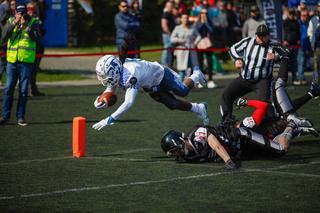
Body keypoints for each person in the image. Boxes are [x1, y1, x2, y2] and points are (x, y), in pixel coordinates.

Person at [91, 39, 210, 131]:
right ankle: (199, 108)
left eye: (105, 75)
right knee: (173, 104)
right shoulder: (119, 68)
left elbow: (128, 103)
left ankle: (196, 75)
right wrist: (102, 99)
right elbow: (112, 85)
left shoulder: (132, 74)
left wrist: (110, 119)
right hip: (150, 85)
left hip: (161, 75)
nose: (103, 79)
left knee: (183, 91)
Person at [0, 4, 41, 126]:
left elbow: (38, 39)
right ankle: (5, 116)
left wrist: (26, 28)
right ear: (15, 12)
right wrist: (14, 24)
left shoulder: (33, 22)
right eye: (19, 13)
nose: (21, 15)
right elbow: (3, 37)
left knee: (23, 91)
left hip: (26, 62)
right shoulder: (10, 21)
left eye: (23, 13)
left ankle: (20, 117)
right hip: (12, 61)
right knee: (8, 89)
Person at [161, 126, 239, 169]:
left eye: (174, 151)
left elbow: (216, 146)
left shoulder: (196, 135)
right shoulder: (187, 157)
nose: (176, 154)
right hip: (235, 153)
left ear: (178, 142)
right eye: (172, 154)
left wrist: (228, 161)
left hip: (234, 139)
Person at [170, 13, 201, 81]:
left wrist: (195, 43)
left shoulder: (192, 28)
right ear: (181, 19)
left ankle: (191, 83)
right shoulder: (177, 28)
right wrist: (179, 40)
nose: (185, 19)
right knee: (182, 69)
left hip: (191, 51)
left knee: (193, 68)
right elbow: (172, 38)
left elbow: (199, 36)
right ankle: (180, 84)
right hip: (182, 51)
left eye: (186, 18)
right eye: (184, 18)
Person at [194, 8, 217, 88]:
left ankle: (210, 80)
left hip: (208, 43)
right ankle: (200, 80)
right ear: (200, 14)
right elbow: (196, 31)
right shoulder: (197, 23)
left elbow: (212, 31)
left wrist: (206, 23)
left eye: (205, 13)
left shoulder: (209, 22)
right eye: (202, 13)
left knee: (210, 61)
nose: (204, 14)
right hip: (199, 43)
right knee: (200, 62)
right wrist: (202, 23)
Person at [27, 1, 45, 96]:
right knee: (27, 72)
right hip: (28, 50)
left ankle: (33, 89)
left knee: (34, 70)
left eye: (33, 9)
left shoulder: (36, 19)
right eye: (29, 9)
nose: (31, 11)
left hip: (37, 48)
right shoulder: (26, 20)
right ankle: (28, 90)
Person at [283, 8, 300, 84]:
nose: (292, 15)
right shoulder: (285, 22)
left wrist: (298, 40)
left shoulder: (296, 22)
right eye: (291, 14)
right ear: (288, 14)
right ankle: (283, 80)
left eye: (293, 14)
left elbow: (298, 32)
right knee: (286, 63)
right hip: (287, 45)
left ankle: (294, 78)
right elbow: (283, 32)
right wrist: (284, 40)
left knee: (294, 63)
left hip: (295, 45)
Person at [296, 9, 312, 85]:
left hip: (307, 46)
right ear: (300, 16)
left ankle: (301, 77)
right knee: (301, 62)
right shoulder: (298, 23)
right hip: (300, 45)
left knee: (304, 62)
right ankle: (300, 78)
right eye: (303, 15)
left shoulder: (309, 23)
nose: (305, 17)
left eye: (306, 15)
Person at [307, 2, 320, 83]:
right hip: (317, 47)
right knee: (316, 67)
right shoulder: (313, 19)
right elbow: (310, 33)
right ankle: (315, 86)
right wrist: (313, 44)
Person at [161, 1, 176, 67]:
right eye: (168, 6)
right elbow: (164, 25)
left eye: (171, 6)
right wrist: (170, 34)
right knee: (166, 49)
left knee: (169, 49)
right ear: (166, 6)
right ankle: (164, 64)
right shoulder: (166, 14)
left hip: (170, 34)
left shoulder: (171, 14)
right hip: (167, 35)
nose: (170, 7)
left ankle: (168, 64)